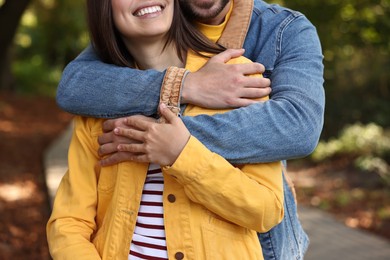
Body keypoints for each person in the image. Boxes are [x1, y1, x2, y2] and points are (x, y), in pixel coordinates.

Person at [55, 0, 325, 259]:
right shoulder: (108, 89)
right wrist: (185, 85)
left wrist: (172, 143)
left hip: (268, 245)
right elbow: (74, 85)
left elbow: (299, 127)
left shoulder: (272, 42)